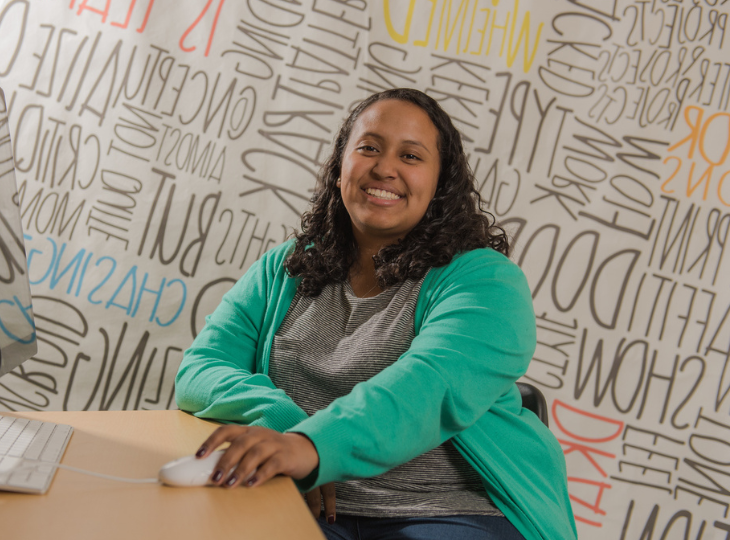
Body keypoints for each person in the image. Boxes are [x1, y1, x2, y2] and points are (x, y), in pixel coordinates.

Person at [174, 88, 577, 540]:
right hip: (299, 503)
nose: (385, 168)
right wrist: (283, 423)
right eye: (369, 148)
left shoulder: (486, 282)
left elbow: (427, 387)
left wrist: (311, 446)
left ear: (440, 182)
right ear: (341, 165)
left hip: (453, 512)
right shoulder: (284, 267)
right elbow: (200, 368)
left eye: (411, 156)